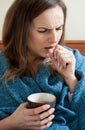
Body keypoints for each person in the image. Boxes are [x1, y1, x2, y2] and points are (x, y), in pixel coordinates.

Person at [0, 0, 85, 129]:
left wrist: (71, 79)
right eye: (43, 30)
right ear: (19, 31)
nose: (54, 38)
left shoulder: (75, 61)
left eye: (59, 28)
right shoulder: (2, 64)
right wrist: (10, 123)